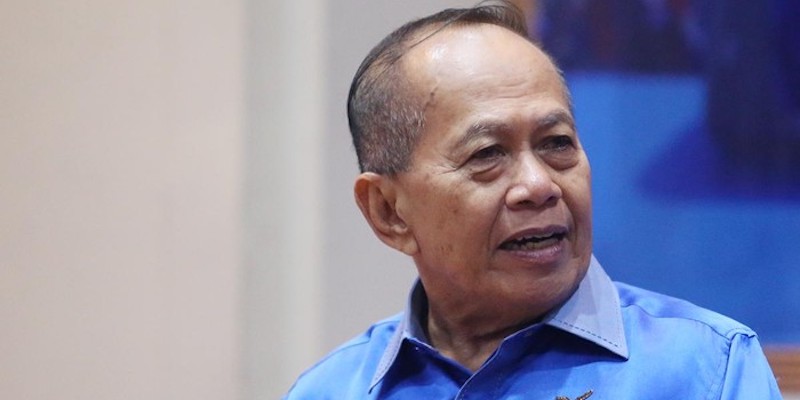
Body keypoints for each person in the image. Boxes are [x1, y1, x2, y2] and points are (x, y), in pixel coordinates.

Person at [284, 2, 782, 398]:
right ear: (388, 211)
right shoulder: (332, 390)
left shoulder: (709, 371)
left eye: (557, 144)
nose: (539, 185)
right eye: (488, 154)